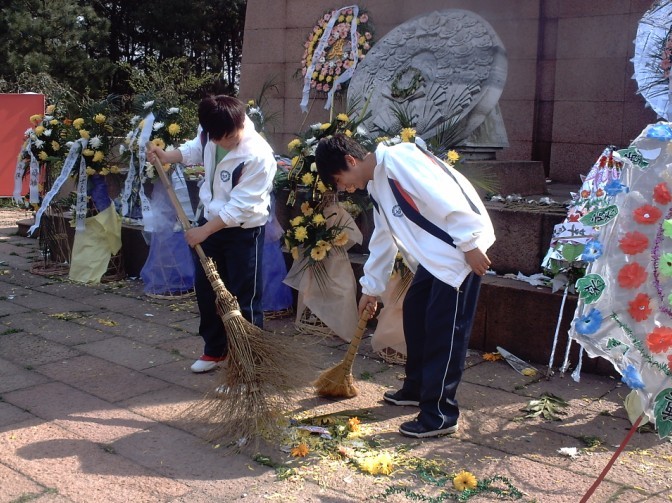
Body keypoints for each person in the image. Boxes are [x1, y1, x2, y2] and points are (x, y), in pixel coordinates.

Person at [315, 134, 495, 438]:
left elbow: (446, 194)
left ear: (350, 161)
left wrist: (469, 243)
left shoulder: (399, 159)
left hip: (459, 252)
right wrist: (371, 287)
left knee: (444, 331)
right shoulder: (377, 184)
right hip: (435, 256)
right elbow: (384, 237)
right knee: (415, 312)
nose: (344, 189)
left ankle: (439, 413)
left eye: (340, 180)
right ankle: (418, 387)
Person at [148, 95, 276, 373]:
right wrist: (168, 156)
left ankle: (250, 362)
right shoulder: (210, 134)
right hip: (209, 220)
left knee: (245, 296)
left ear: (241, 122)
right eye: (216, 138)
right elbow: (197, 148)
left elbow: (240, 207)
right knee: (207, 291)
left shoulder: (258, 155)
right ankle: (215, 350)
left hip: (243, 231)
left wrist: (202, 232)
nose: (223, 144)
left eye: (229, 138)